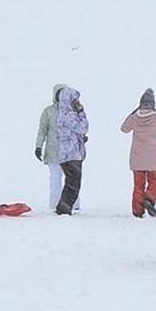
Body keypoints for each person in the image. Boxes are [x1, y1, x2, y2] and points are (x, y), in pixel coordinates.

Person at [121, 88, 156, 218]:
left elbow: (124, 129)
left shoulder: (135, 118)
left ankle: (137, 211)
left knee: (138, 184)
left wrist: (133, 113)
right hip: (152, 156)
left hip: (137, 156)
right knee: (155, 180)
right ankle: (150, 198)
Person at [35, 84, 80, 213]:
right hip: (53, 151)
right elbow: (42, 130)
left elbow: (79, 127)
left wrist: (81, 140)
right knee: (55, 179)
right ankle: (54, 204)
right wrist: (38, 146)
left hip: (71, 152)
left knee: (72, 179)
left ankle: (74, 204)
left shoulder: (73, 109)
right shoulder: (48, 111)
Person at [54, 87, 89, 215]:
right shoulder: (69, 115)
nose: (78, 102)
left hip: (66, 153)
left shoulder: (61, 113)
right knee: (73, 182)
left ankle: (63, 207)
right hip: (71, 154)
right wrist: (81, 112)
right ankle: (64, 208)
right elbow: (83, 127)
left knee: (71, 181)